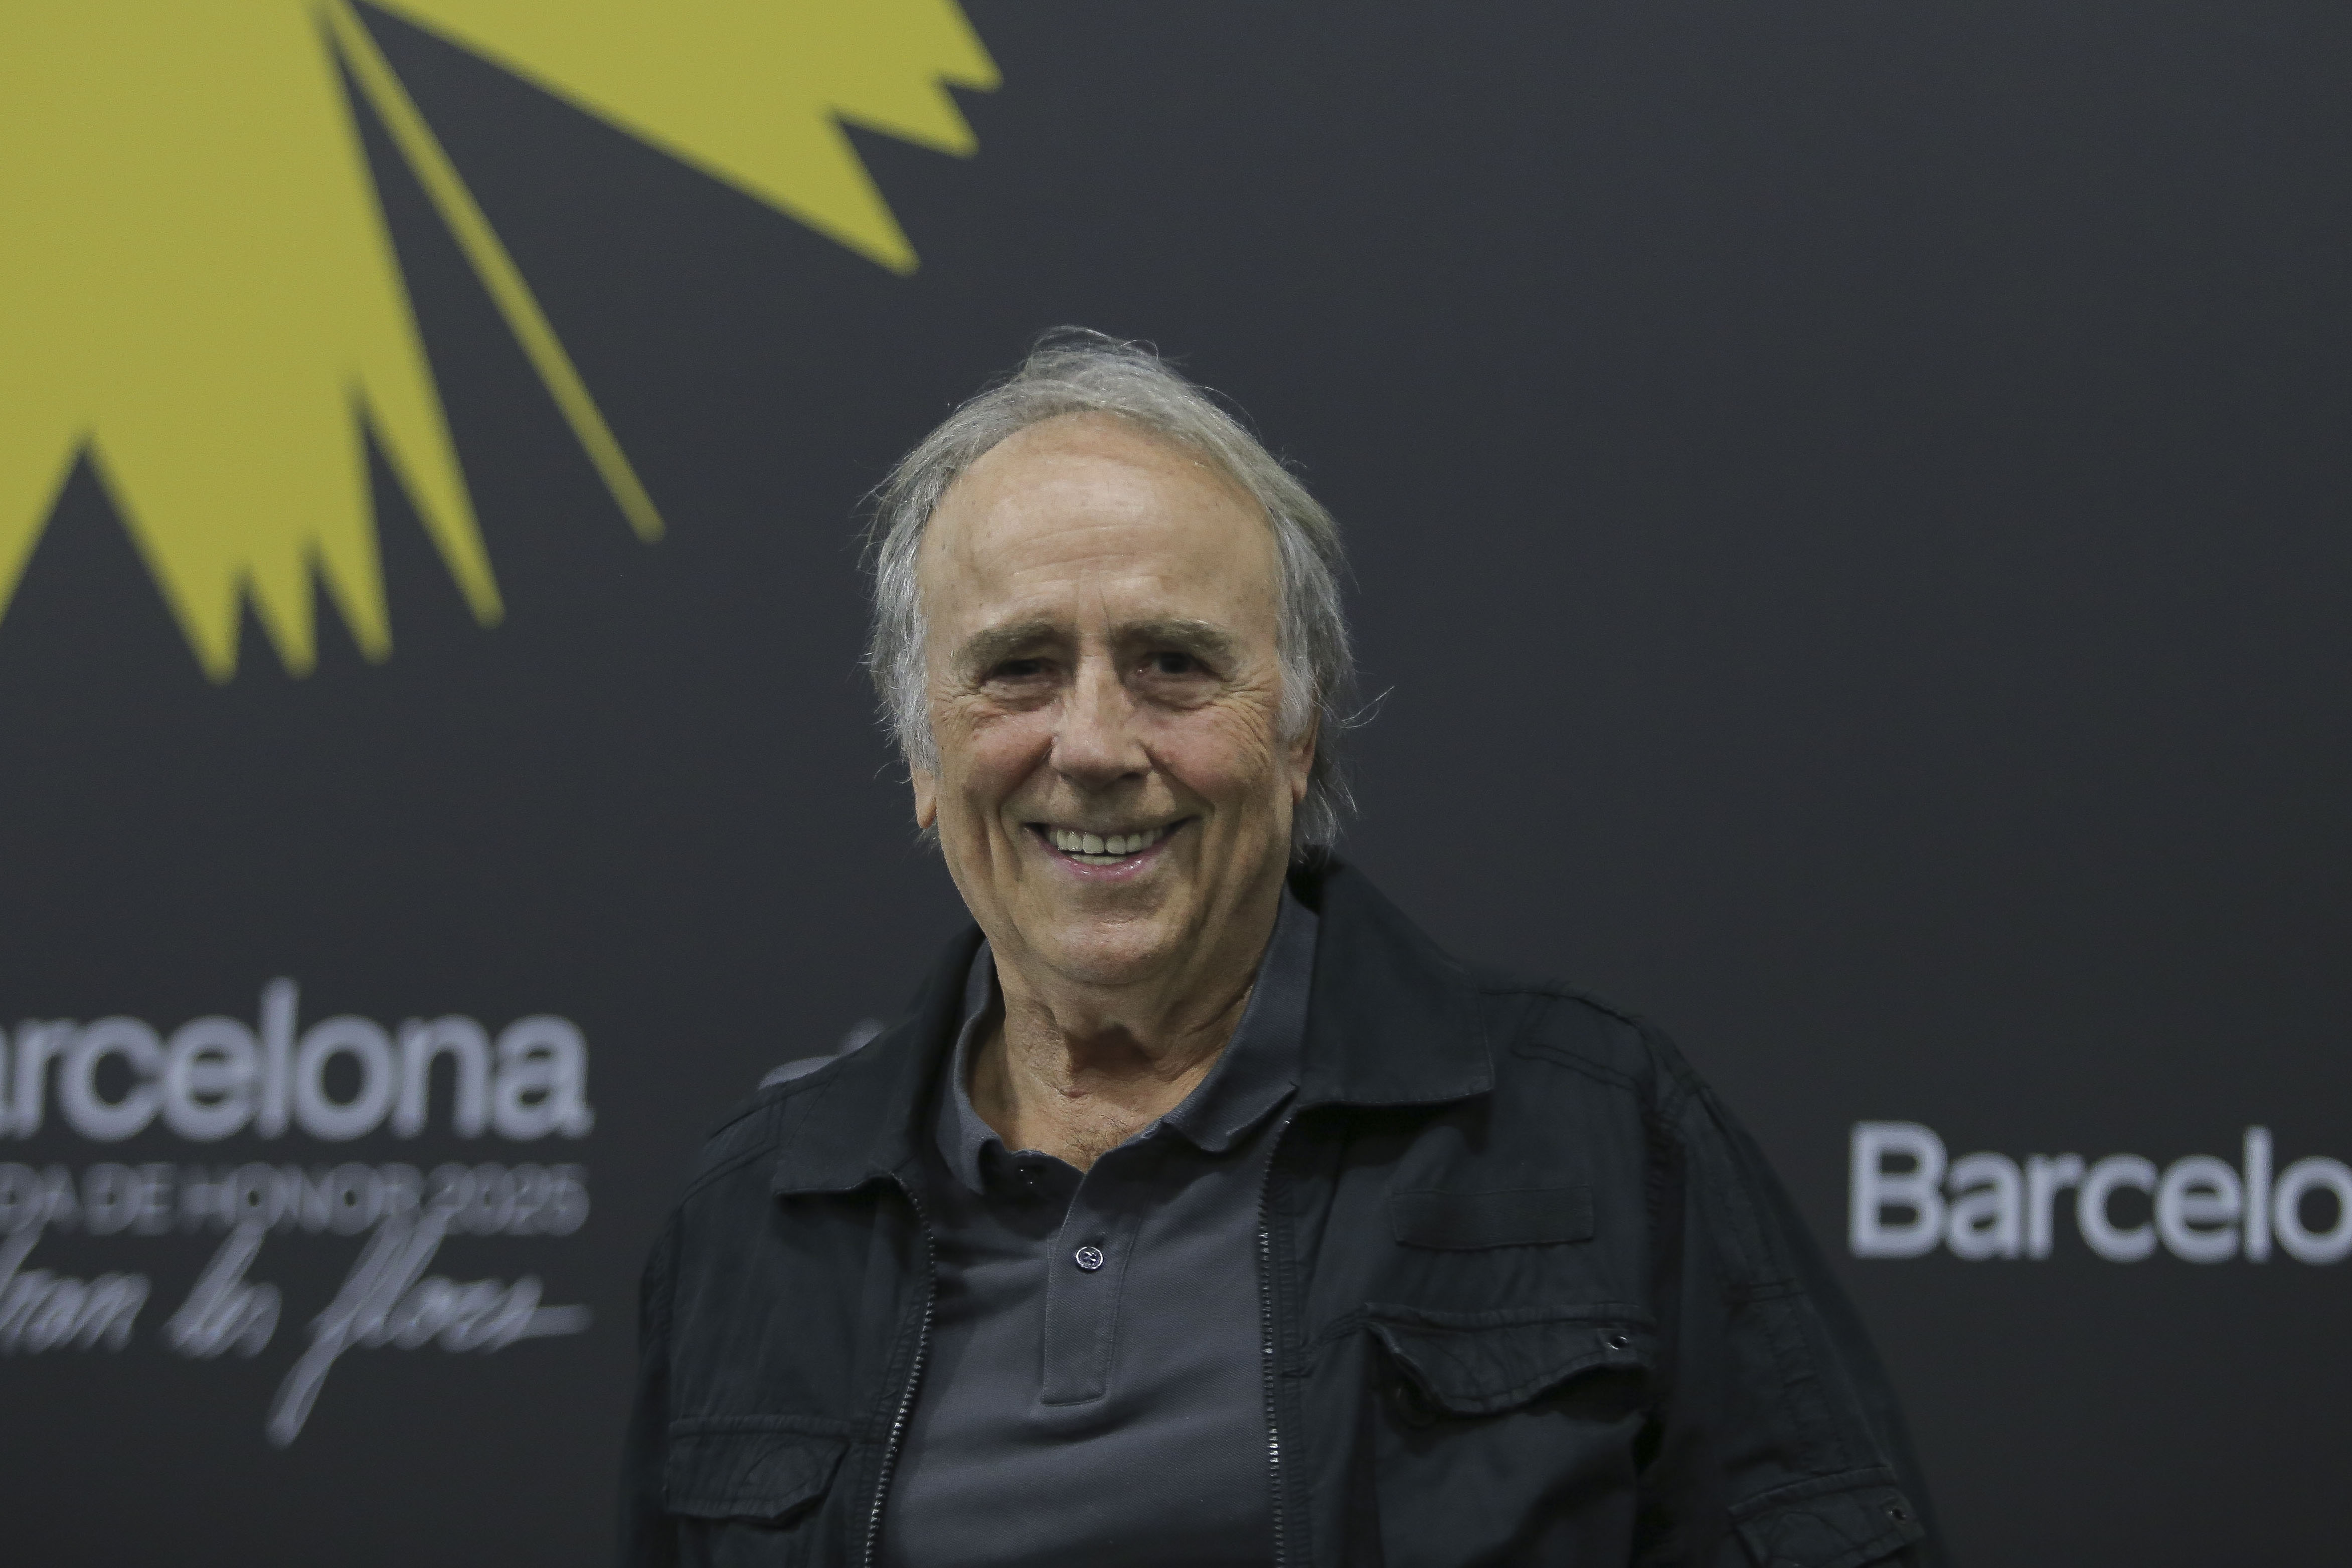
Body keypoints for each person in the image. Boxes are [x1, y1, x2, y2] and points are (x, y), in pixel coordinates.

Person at [620, 331, 1941, 1567]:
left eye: (1173, 665)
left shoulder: (1594, 1136)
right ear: (922, 749)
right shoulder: (755, 1217)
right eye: (1018, 667)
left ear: (1298, 735)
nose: (1094, 745)